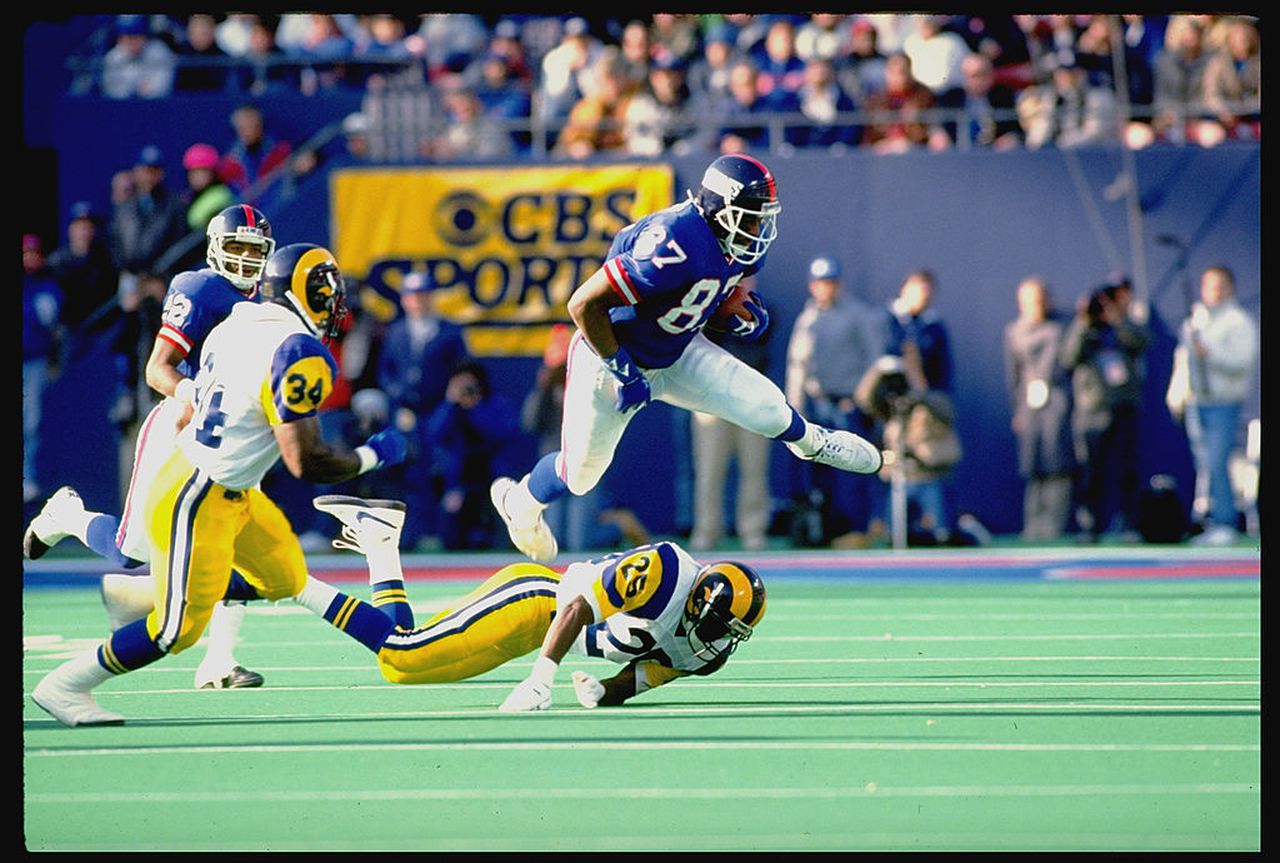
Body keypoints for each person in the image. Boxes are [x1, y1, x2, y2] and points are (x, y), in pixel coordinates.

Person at [30, 244, 409, 727]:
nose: (333, 305)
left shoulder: (239, 322)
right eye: (325, 293)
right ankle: (65, 684)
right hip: (197, 479)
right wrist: (373, 454)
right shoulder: (275, 337)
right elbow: (303, 459)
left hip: (234, 477)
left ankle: (177, 614)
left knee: (285, 578)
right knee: (173, 628)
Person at [489, 154, 886, 564]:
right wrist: (622, 369)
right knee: (582, 474)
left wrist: (729, 316)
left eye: (760, 219)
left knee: (762, 402)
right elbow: (584, 305)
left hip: (675, 351)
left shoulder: (739, 246)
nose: (757, 230)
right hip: (610, 356)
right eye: (749, 218)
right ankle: (520, 503)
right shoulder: (672, 242)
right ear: (719, 209)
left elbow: (698, 300)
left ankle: (814, 443)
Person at [25, 205, 279, 690]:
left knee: (234, 547)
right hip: (181, 427)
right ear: (214, 248)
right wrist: (192, 394)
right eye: (237, 248)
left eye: (255, 251)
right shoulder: (200, 288)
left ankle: (219, 663)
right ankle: (66, 516)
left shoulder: (267, 301)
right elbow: (157, 368)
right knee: (129, 553)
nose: (246, 260)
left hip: (236, 439)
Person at [294, 495, 766, 712]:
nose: (723, 637)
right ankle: (293, 582)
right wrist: (542, 679)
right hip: (536, 602)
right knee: (402, 652)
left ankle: (380, 541)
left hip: (541, 636)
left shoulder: (711, 654)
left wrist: (603, 693)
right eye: (723, 624)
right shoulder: (663, 570)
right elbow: (578, 606)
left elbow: (643, 676)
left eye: (732, 632)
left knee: (400, 665)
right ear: (703, 600)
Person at [785, 256, 885, 543]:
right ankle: (826, 532)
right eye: (819, 283)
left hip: (847, 402)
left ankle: (856, 530)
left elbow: (874, 359)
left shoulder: (857, 314)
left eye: (829, 282)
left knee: (853, 467)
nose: (824, 288)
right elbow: (797, 365)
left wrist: (861, 398)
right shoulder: (808, 317)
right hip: (817, 403)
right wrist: (795, 407)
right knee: (819, 472)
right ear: (812, 285)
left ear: (838, 284)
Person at [375, 270, 470, 548]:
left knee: (442, 471)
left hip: (440, 410)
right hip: (407, 413)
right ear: (405, 300)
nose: (418, 301)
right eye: (413, 296)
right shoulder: (397, 331)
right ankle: (411, 535)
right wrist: (398, 395)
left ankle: (442, 534)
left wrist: (450, 398)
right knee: (410, 474)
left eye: (423, 295)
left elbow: (462, 370)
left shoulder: (448, 332)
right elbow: (386, 371)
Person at [1167, 265, 1258, 546]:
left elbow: (1241, 363)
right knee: (1205, 464)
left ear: (1229, 288)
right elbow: (1184, 360)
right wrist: (1176, 393)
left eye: (1219, 286)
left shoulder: (1238, 321)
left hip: (1223, 402)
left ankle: (1225, 521)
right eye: (1208, 285)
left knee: (1218, 462)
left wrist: (1210, 353)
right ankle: (1211, 520)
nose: (1212, 292)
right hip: (1197, 402)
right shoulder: (1195, 321)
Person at [1059, 279, 1151, 542]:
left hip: (1124, 406)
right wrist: (1082, 321)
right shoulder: (1086, 328)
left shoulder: (1128, 326)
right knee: (1090, 470)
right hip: (1091, 408)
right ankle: (1090, 524)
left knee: (1127, 469)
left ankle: (1129, 523)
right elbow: (1067, 358)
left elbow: (1144, 341)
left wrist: (1118, 319)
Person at [1003, 276, 1075, 540]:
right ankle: (1034, 525)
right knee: (1033, 464)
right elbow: (1014, 375)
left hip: (1057, 401)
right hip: (1029, 405)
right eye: (1030, 301)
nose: (1036, 306)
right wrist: (1017, 411)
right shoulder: (1014, 332)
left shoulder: (1063, 326)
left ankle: (1056, 524)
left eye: (1040, 300)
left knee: (1058, 461)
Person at [425, 360, 521, 550]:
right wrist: (450, 403)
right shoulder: (450, 409)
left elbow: (501, 433)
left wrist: (475, 407)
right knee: (453, 536)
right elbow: (434, 434)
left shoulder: (495, 405)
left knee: (494, 538)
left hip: (491, 477)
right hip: (459, 480)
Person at [23, 234, 64, 505]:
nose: (30, 257)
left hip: (34, 361)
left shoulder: (47, 287)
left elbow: (49, 320)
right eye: (26, 252)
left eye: (34, 253)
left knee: (30, 423)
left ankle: (27, 479)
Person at [100, 14, 176, 100]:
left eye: (135, 37)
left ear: (145, 37)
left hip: (154, 107)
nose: (131, 43)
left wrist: (146, 92)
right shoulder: (113, 58)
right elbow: (111, 91)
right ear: (119, 39)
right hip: (122, 108)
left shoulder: (160, 52)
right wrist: (133, 91)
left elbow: (162, 88)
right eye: (127, 37)